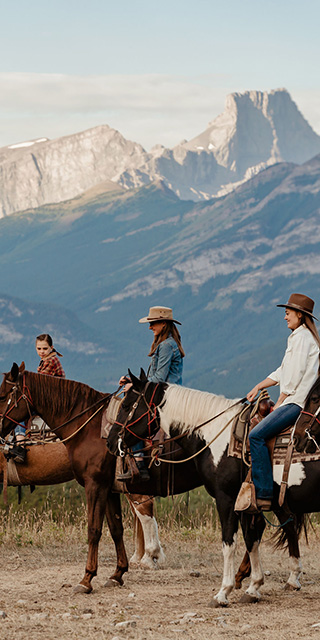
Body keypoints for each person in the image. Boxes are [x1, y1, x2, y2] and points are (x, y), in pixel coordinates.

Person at [247, 293, 320, 511]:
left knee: (256, 435)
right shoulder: (300, 337)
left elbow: (292, 377)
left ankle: (263, 493)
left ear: (300, 314)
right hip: (293, 399)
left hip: (295, 403)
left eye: (288, 313)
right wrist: (259, 385)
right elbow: (283, 371)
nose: (285, 317)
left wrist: (280, 401)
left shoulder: (302, 339)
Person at [117, 306, 185, 481]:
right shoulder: (167, 343)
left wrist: (133, 385)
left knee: (135, 419)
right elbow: (155, 376)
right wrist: (130, 380)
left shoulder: (165, 346)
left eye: (153, 323)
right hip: (167, 391)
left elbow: (160, 377)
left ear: (163, 323)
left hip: (165, 395)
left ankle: (139, 464)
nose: (150, 327)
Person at [12, 333, 65, 463]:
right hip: (49, 397)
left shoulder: (51, 361)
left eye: (45, 348)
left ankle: (20, 445)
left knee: (19, 413)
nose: (42, 351)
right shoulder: (47, 359)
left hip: (51, 399)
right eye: (39, 349)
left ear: (51, 347)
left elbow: (39, 385)